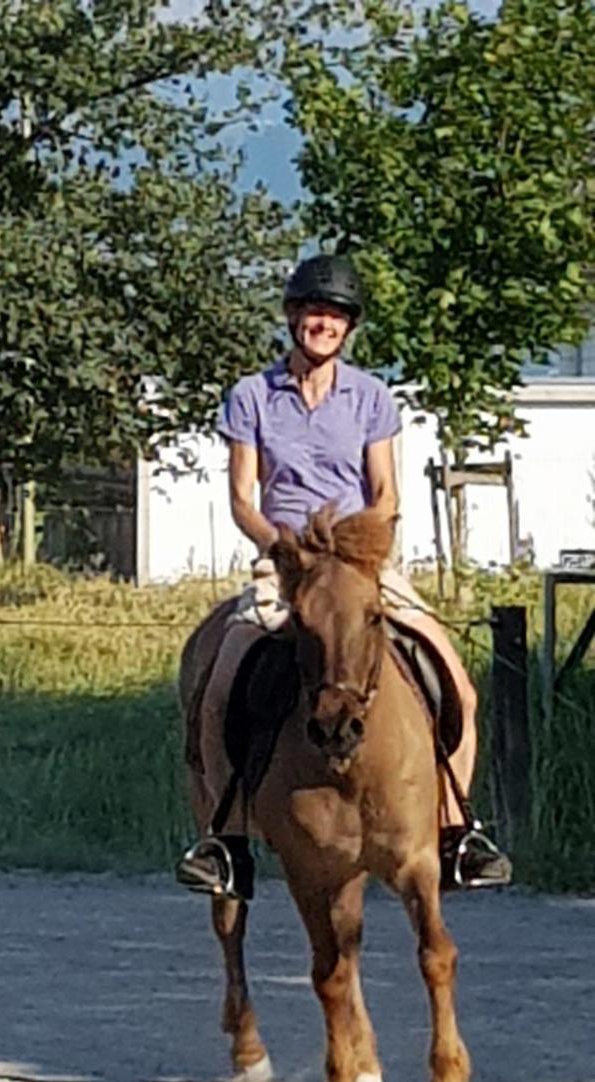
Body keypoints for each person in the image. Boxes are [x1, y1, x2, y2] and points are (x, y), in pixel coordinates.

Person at [177, 253, 512, 899]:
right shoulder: (251, 396)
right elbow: (243, 498)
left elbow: (385, 494)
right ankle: (226, 840)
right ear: (292, 317)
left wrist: (358, 549)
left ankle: (456, 830)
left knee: (460, 689)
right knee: (219, 686)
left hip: (360, 562)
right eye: (313, 312)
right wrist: (286, 550)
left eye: (334, 316)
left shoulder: (372, 397)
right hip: (286, 563)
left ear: (348, 327)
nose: (322, 324)